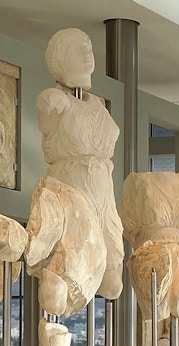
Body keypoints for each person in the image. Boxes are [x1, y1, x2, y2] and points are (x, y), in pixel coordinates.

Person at [37, 27, 123, 300]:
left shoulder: (98, 104)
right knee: (68, 270)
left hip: (103, 192)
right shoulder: (53, 99)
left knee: (113, 286)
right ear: (59, 60)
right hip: (72, 188)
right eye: (79, 48)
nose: (88, 53)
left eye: (89, 47)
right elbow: (48, 104)